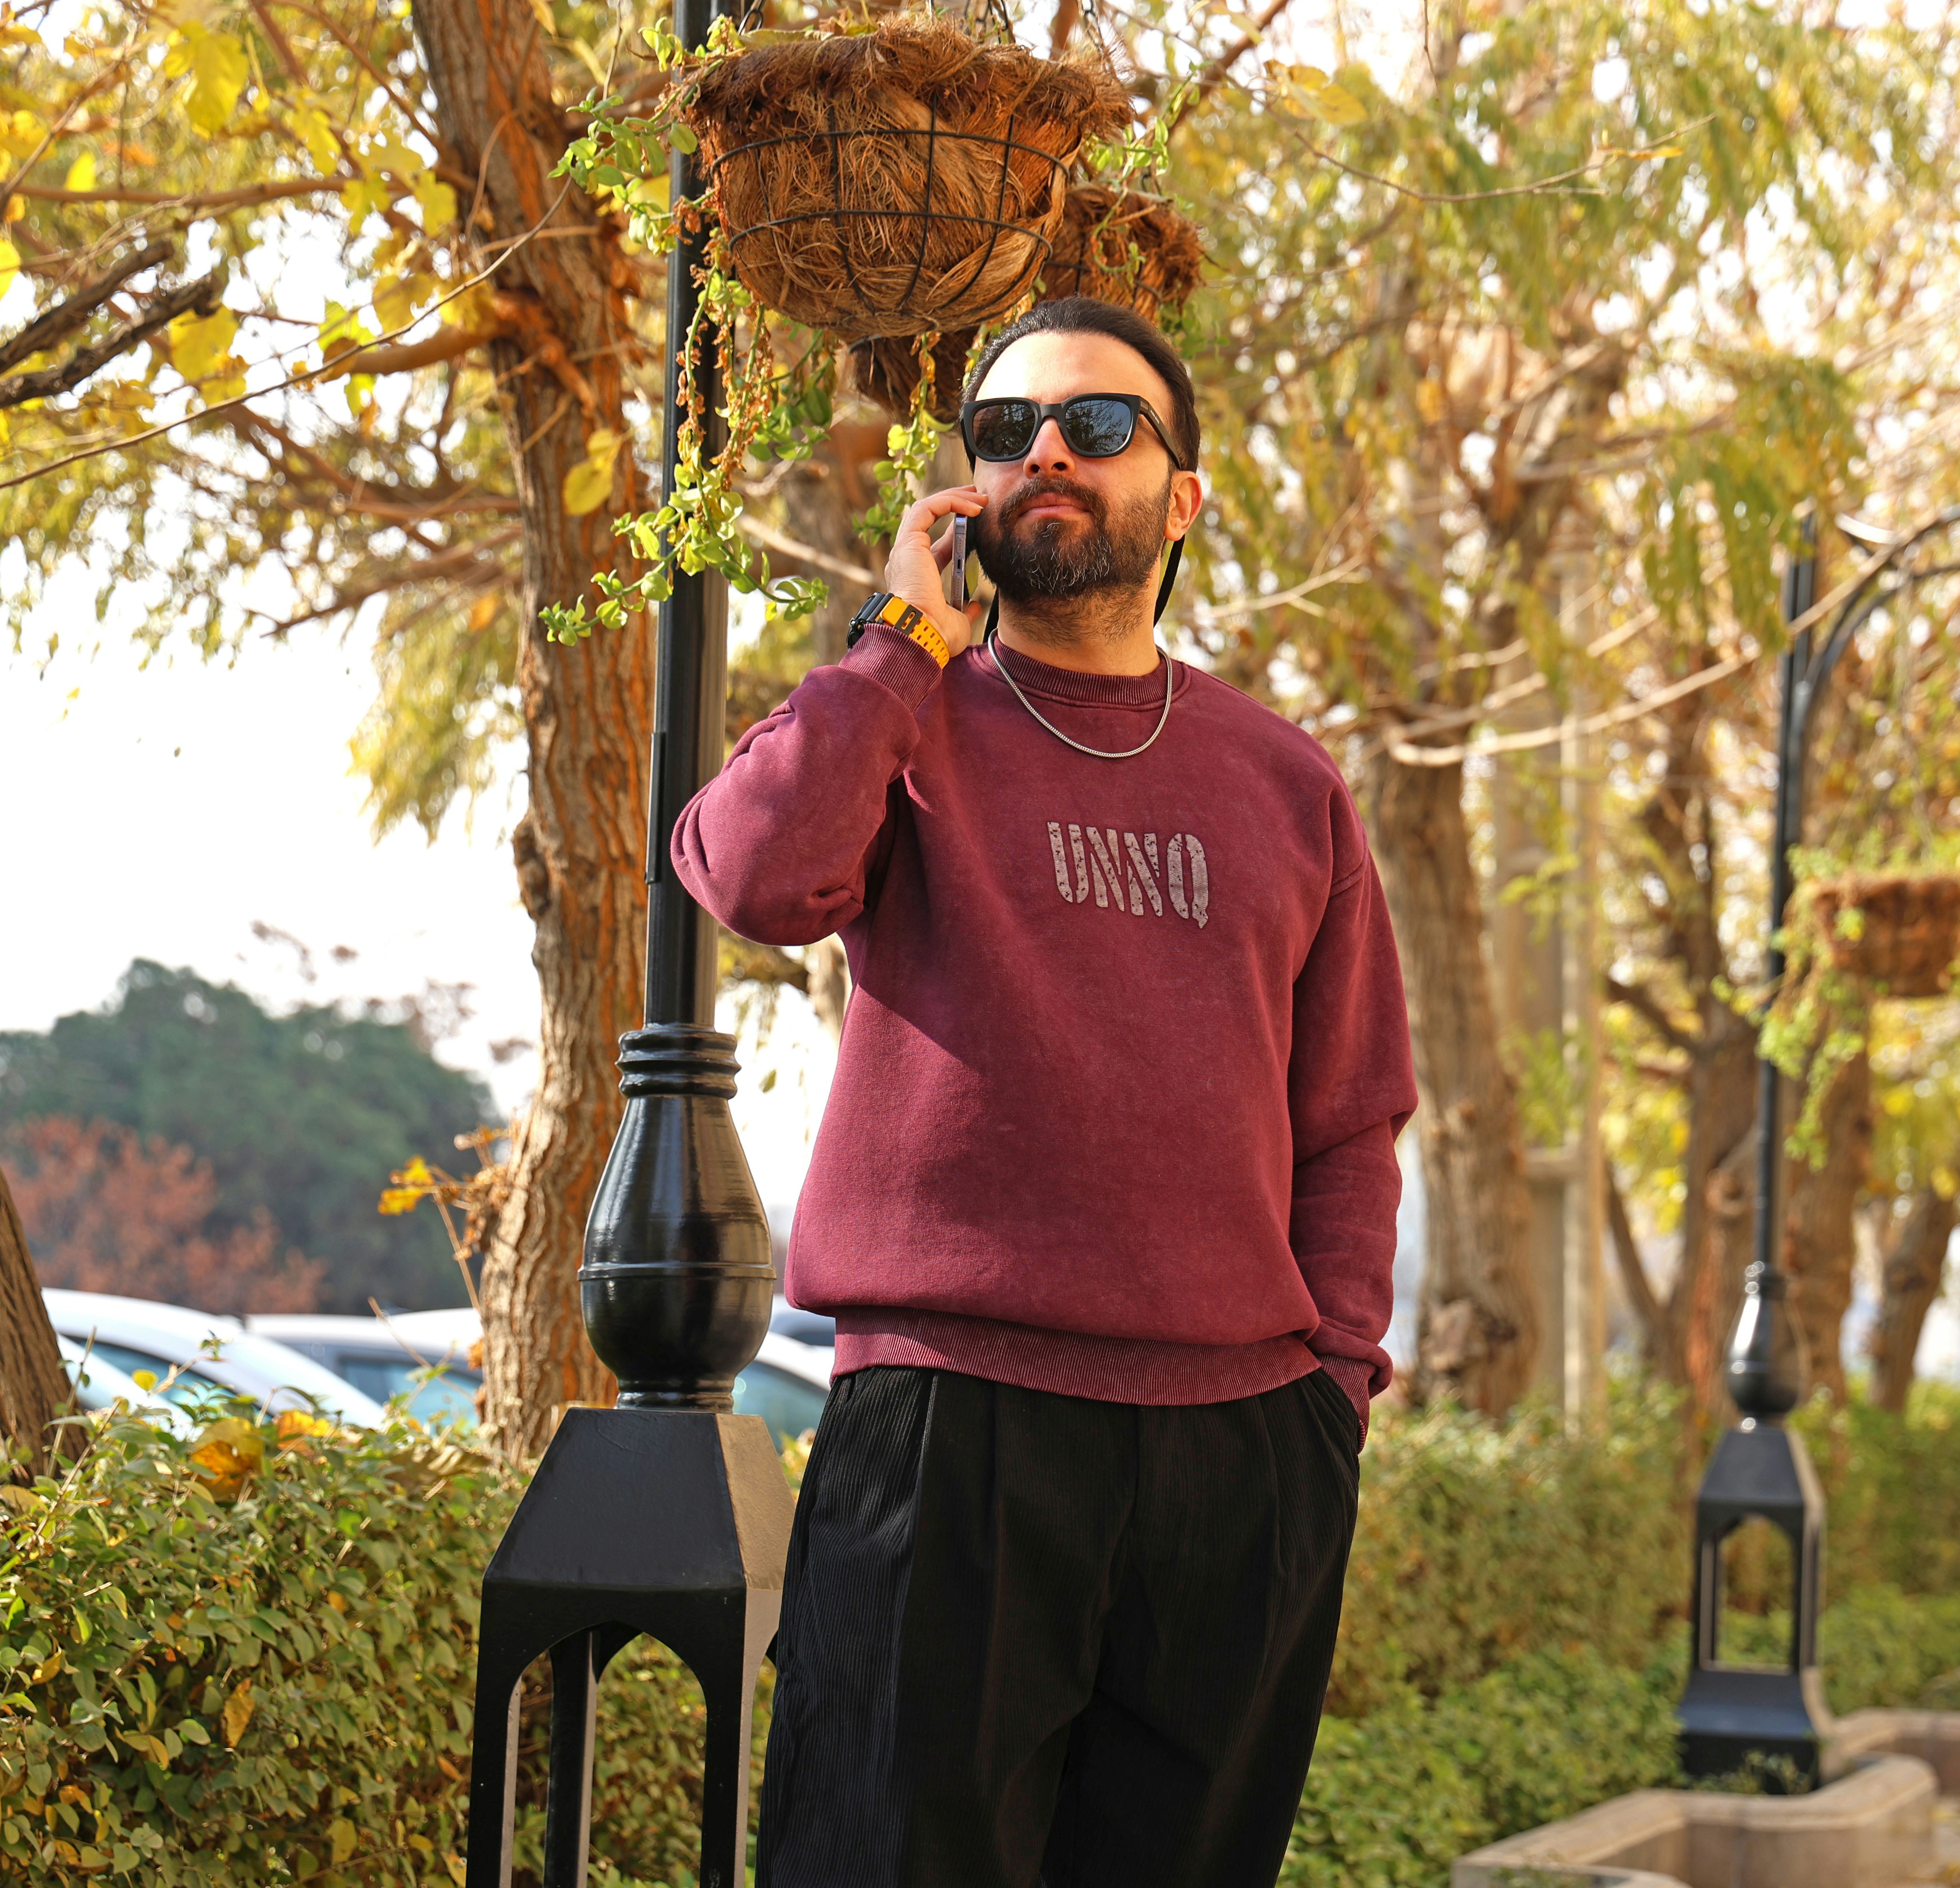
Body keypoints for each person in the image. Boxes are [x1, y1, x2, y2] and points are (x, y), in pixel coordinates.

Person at [672, 295, 1417, 1888]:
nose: (1046, 457)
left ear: (1185, 495)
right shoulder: (897, 716)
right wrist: (895, 649)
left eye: (1098, 425)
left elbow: (1351, 1121)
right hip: (949, 1428)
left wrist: (1328, 1399)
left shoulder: (1289, 784)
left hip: (1239, 1460)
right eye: (1004, 432)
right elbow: (751, 874)